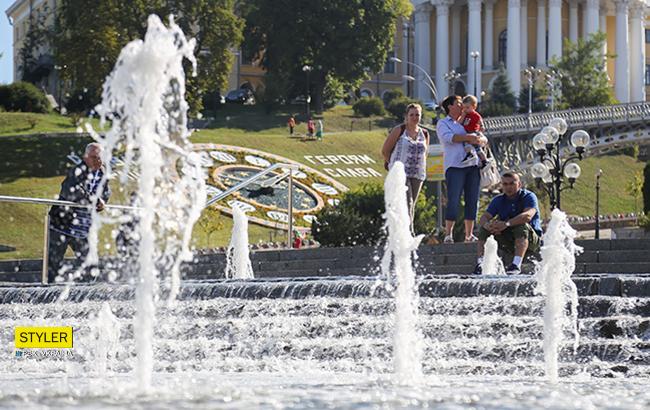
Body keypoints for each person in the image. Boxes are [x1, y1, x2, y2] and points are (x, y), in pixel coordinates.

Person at [47, 142, 111, 283]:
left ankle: (85, 299)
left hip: (83, 229)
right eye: (94, 157)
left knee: (91, 266)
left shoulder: (103, 173)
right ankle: (49, 298)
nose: (98, 160)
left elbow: (106, 192)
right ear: (85, 157)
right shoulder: (77, 171)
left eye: (101, 157)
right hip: (61, 226)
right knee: (54, 266)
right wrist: (94, 200)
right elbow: (71, 191)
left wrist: (103, 200)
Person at [436, 95, 487, 244]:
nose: (462, 106)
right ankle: (448, 234)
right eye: (458, 104)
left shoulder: (468, 118)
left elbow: (483, 138)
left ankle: (469, 235)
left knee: (472, 200)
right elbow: (449, 138)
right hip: (455, 166)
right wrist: (469, 138)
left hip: (472, 165)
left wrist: (478, 139)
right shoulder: (444, 123)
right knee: (454, 199)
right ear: (450, 107)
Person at [473, 172, 542, 275]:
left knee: (521, 225)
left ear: (519, 184)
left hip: (531, 240)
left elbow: (528, 216)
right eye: (505, 184)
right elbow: (484, 217)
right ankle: (480, 264)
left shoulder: (529, 196)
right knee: (484, 229)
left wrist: (506, 224)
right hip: (508, 240)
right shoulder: (498, 200)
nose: (508, 187)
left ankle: (516, 265)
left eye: (512, 183)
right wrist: (489, 226)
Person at [381, 103, 429, 233]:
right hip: (401, 173)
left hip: (417, 173)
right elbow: (385, 150)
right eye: (411, 115)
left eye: (417, 115)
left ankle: (402, 230)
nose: (414, 117)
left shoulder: (424, 133)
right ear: (406, 116)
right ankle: (409, 232)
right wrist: (391, 164)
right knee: (406, 202)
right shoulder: (399, 130)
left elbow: (425, 152)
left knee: (411, 203)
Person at [457, 95, 487, 168]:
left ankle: (484, 161)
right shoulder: (464, 115)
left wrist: (482, 127)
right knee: (466, 145)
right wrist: (463, 116)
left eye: (467, 107)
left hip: (473, 132)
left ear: (474, 107)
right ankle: (470, 154)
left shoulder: (476, 115)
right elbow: (458, 123)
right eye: (464, 108)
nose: (465, 109)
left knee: (478, 149)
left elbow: (480, 122)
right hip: (466, 133)